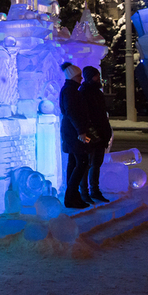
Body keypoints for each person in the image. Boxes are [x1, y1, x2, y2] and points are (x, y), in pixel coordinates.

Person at [59, 62, 92, 209]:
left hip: (71, 132)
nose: (81, 79)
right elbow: (72, 112)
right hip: (73, 133)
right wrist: (81, 131)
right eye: (79, 76)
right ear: (72, 76)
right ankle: (70, 196)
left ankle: (73, 196)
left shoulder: (70, 90)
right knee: (82, 162)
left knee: (74, 163)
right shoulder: (70, 91)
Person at [79, 66, 112, 203]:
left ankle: (95, 190)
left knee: (96, 163)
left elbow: (102, 114)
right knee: (86, 164)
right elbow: (84, 114)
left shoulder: (98, 93)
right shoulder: (84, 92)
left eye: (98, 75)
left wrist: (105, 131)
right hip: (91, 134)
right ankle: (84, 191)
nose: (98, 78)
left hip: (101, 132)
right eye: (95, 76)